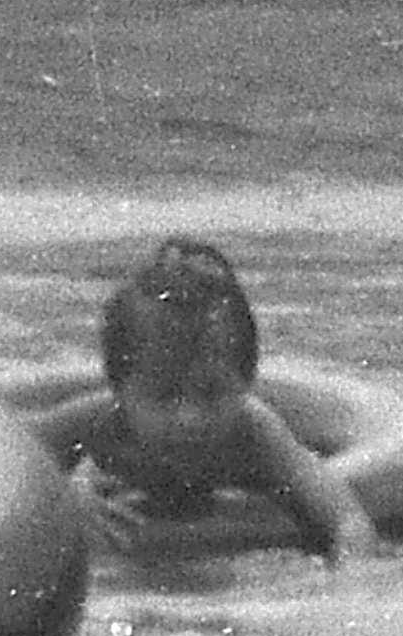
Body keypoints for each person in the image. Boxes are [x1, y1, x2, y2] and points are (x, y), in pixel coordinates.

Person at [21, 239, 380, 561]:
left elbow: (343, 516)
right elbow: (7, 454)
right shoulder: (99, 423)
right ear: (120, 390)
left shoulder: (253, 431)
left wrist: (352, 578)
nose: (190, 417)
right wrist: (67, 500)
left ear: (246, 382)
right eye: (164, 396)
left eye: (212, 393)